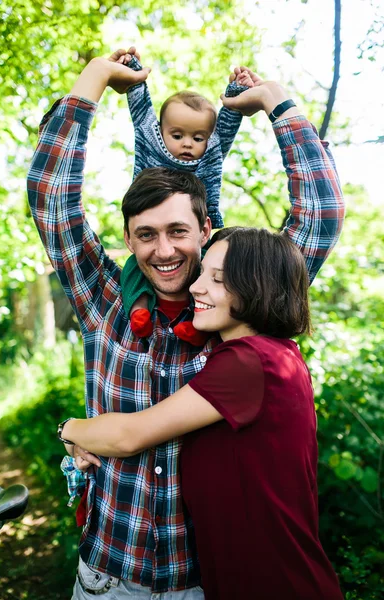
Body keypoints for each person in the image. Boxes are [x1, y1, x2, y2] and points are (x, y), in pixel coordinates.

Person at [27, 46, 344, 599]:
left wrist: (273, 100)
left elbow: (320, 214)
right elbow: (52, 198)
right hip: (108, 577)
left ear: (204, 230)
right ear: (127, 240)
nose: (164, 249)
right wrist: (98, 76)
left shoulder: (242, 307)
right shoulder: (104, 300)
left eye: (178, 231)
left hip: (205, 583)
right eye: (145, 235)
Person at [61, 225, 344, 600]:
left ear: (257, 287)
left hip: (277, 584)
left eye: (218, 279)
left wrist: (69, 429)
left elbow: (128, 436)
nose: (195, 287)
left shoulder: (249, 363)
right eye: (202, 273)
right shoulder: (272, 354)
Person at [118, 51, 249, 343]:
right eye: (177, 136)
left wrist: (236, 92)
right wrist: (133, 73)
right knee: (133, 267)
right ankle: (139, 309)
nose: (188, 144)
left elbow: (226, 127)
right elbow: (140, 111)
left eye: (198, 137)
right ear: (162, 131)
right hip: (144, 204)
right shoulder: (150, 142)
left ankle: (194, 323)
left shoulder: (211, 153)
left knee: (207, 273)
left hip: (201, 236)